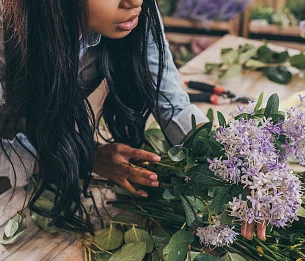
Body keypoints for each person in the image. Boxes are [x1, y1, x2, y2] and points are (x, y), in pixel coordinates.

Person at [0, 0, 265, 240]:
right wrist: (85, 158)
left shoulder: (135, 12)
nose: (135, 1)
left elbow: (172, 105)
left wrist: (236, 169)